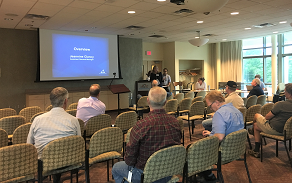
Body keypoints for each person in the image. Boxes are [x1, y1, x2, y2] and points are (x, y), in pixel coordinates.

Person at [112, 87, 182, 183]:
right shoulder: (176, 122)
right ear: (166, 102)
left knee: (116, 168)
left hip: (144, 174)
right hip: (168, 171)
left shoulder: (141, 125)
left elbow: (130, 160)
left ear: (147, 101)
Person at [27, 87, 81, 183]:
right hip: (68, 160)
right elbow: (79, 143)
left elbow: (29, 144)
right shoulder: (74, 120)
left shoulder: (37, 120)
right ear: (65, 101)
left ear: (51, 101)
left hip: (44, 163)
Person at [200, 90, 244, 181]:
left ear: (216, 102)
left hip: (223, 152)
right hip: (237, 149)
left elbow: (219, 138)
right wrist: (211, 133)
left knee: (197, 150)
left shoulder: (219, 114)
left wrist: (210, 137)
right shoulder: (237, 110)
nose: (210, 109)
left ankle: (209, 177)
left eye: (210, 106)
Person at [248, 83, 292, 158]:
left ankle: (255, 147)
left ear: (289, 93)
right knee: (256, 126)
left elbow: (267, 117)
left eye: (285, 91)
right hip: (289, 131)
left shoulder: (281, 104)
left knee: (256, 115)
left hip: (275, 129)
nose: (284, 93)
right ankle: (255, 149)